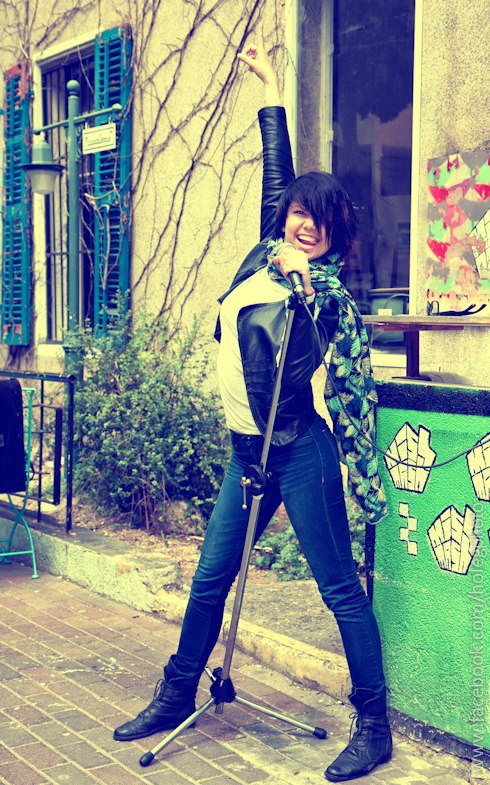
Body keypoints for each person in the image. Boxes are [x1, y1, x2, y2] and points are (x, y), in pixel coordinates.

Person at [114, 24, 392, 783]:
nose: (305, 224)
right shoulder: (264, 253)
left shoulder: (325, 295)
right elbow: (278, 168)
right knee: (210, 580)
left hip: (299, 453)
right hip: (247, 454)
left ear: (334, 237)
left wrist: (306, 285)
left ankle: (374, 726)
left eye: (320, 222)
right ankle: (176, 694)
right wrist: (269, 84)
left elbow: (341, 361)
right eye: (299, 212)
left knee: (339, 589)